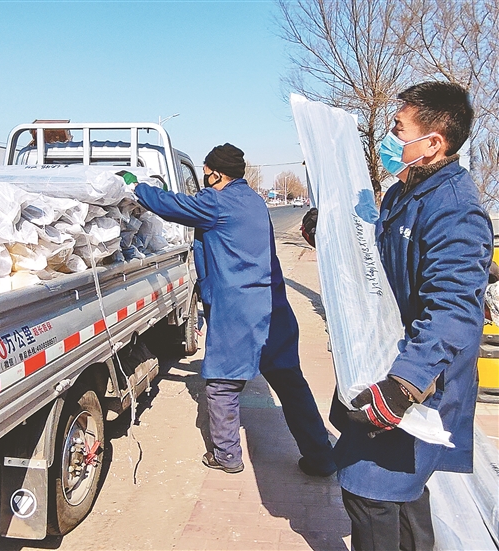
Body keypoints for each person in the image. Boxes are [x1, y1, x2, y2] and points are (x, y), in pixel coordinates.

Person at [303, 81, 492, 550]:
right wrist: (329, 233)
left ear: (432, 144)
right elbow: (382, 262)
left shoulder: (455, 210)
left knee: (370, 493)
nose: (389, 137)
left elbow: (453, 309)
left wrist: (402, 384)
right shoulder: (406, 192)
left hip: (417, 376)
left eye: (398, 128)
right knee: (401, 492)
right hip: (386, 360)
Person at [133, 143, 336, 476]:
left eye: (206, 169)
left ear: (215, 173)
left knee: (222, 384)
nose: (204, 175)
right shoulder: (255, 201)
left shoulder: (216, 201)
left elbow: (171, 205)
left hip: (239, 312)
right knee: (290, 383)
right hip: (274, 307)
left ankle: (226, 456)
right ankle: (321, 457)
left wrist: (137, 187)